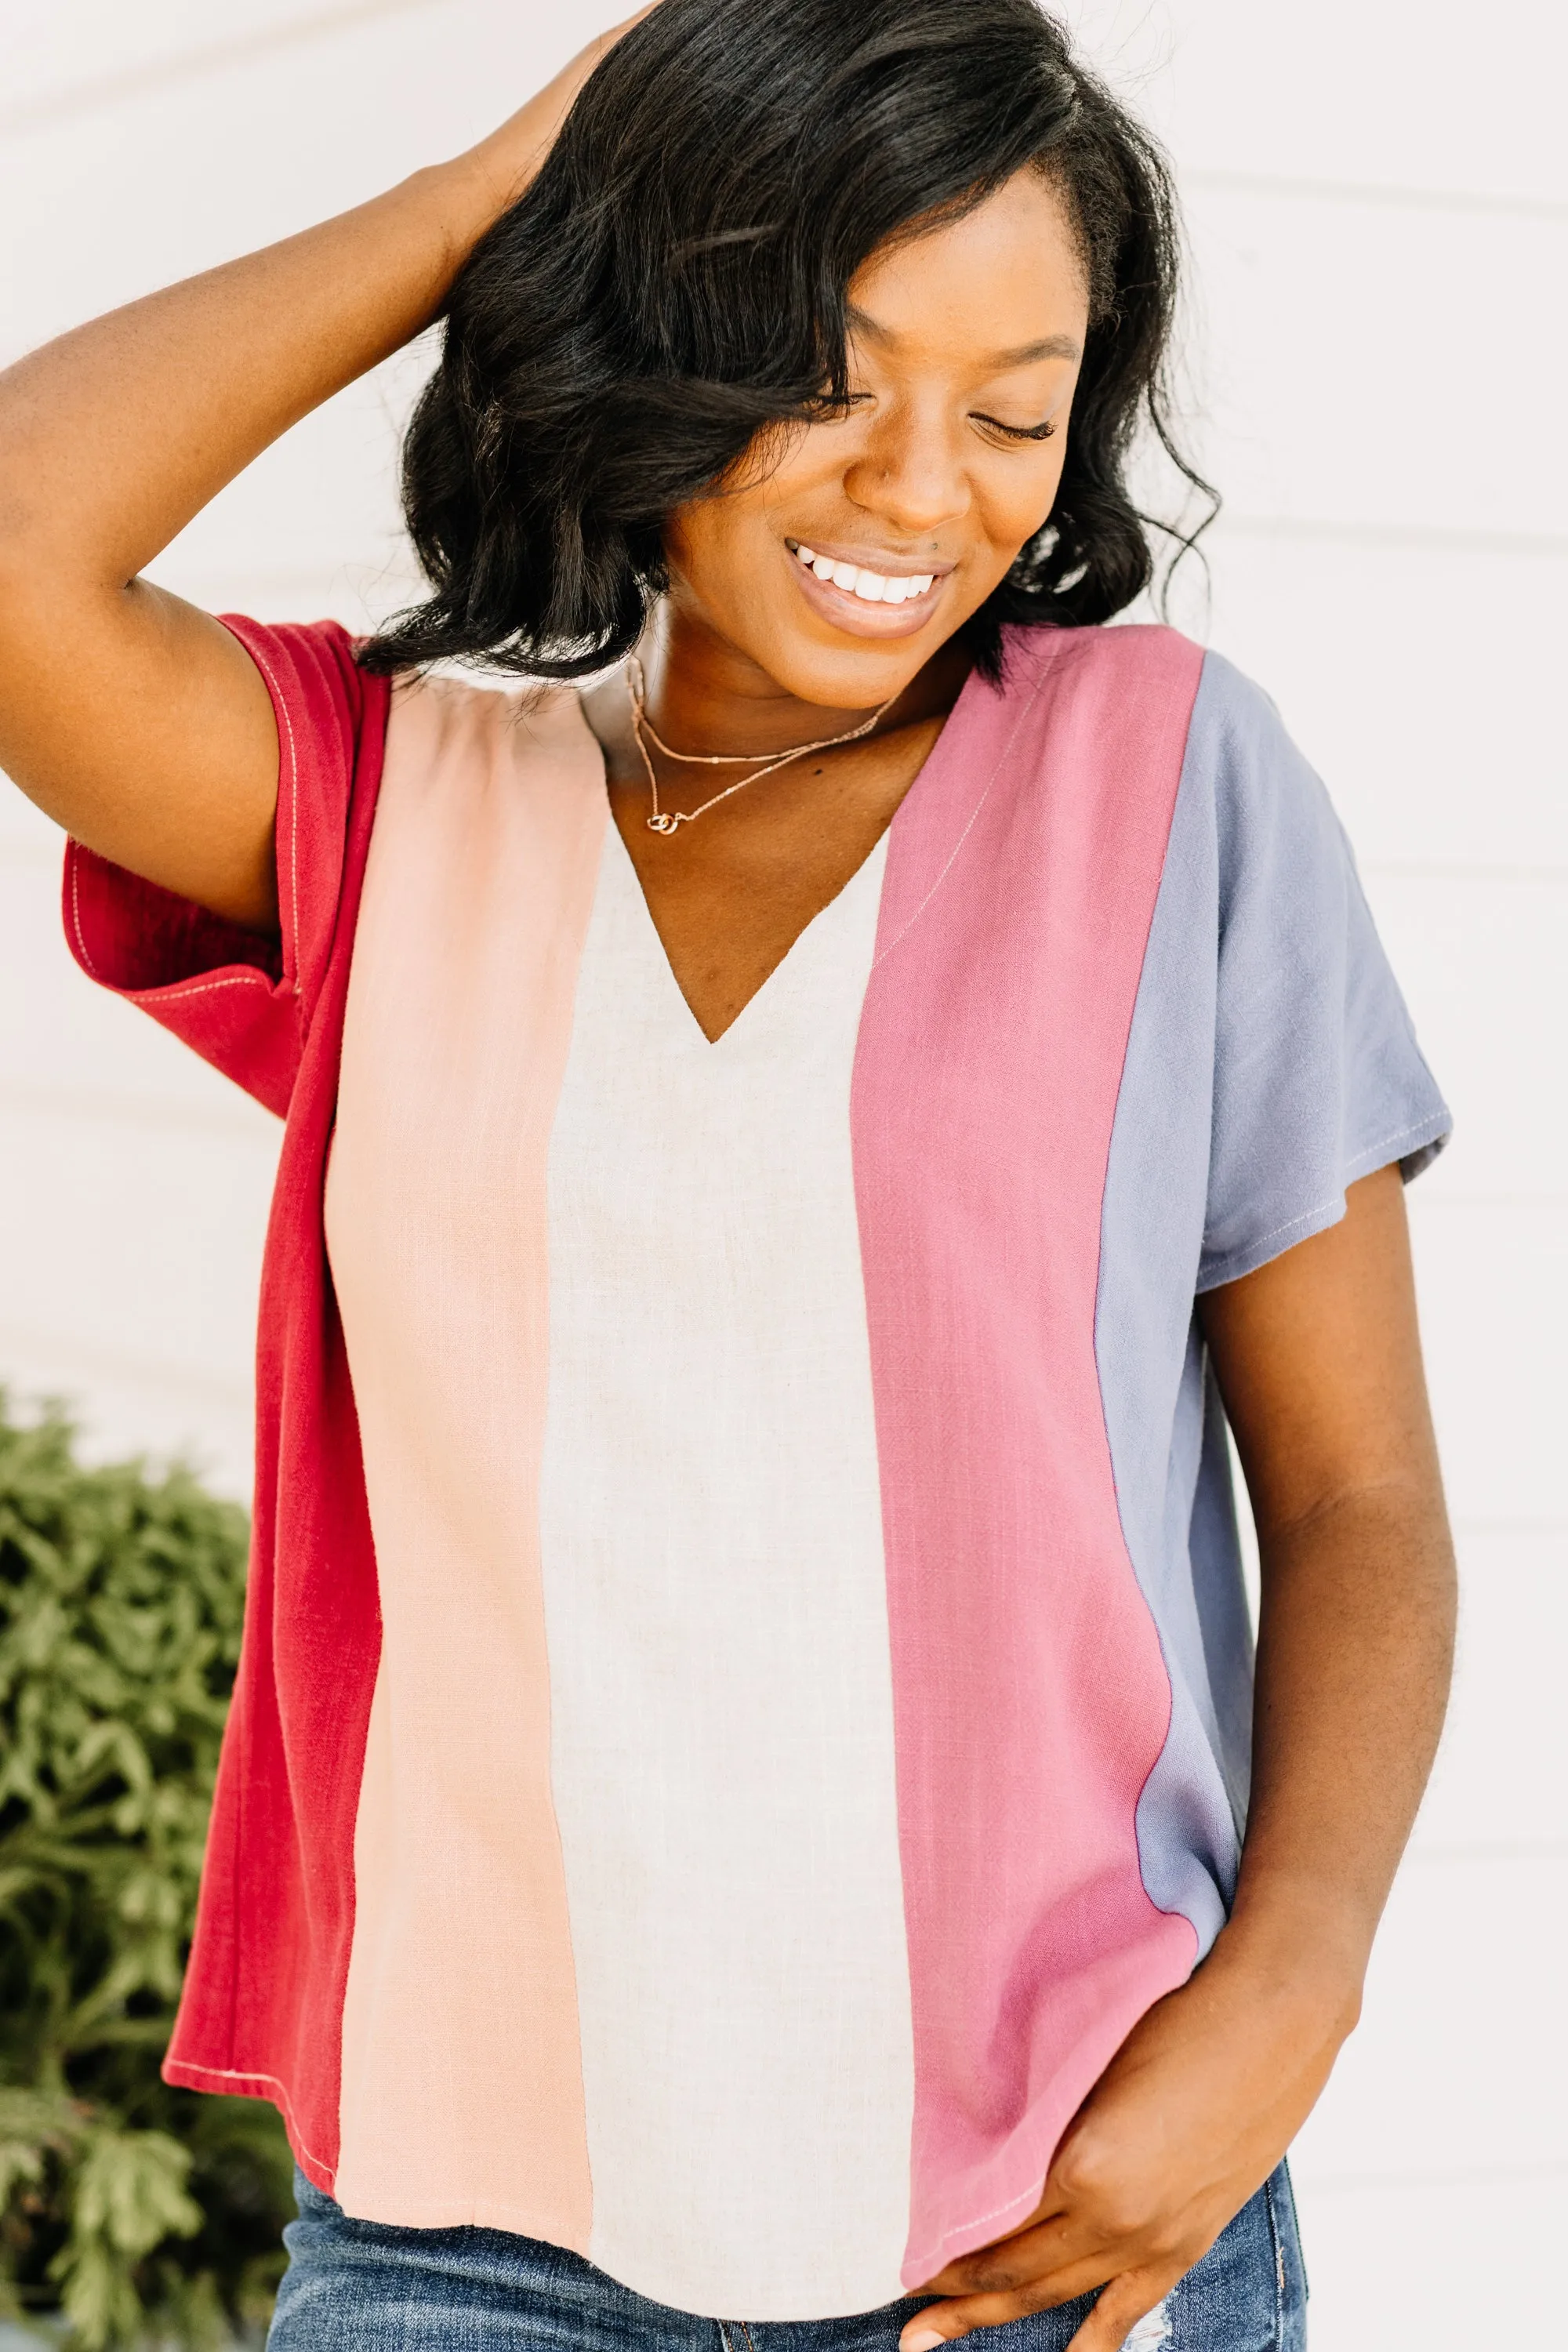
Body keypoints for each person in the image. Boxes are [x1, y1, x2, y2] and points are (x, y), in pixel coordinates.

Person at [0, 1, 1457, 2346]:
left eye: (1012, 408)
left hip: (1050, 2204)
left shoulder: (1170, 789)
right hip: (473, 2229)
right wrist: (495, 193)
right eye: (825, 369)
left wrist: (1292, 1993)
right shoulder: (392, 815)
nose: (919, 491)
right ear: (646, 346)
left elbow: (1363, 1490)